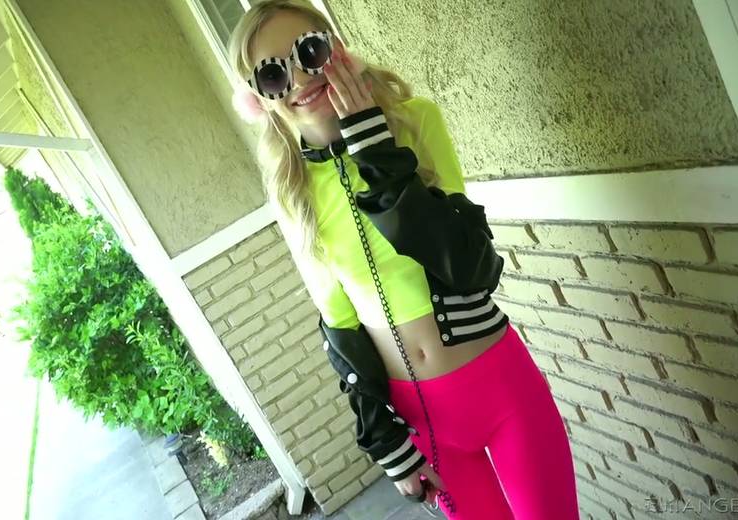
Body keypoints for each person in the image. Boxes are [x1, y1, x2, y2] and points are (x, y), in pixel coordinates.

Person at [227, 2, 579, 518]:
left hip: (499, 386)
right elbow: (339, 323)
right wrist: (387, 441)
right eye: (273, 74)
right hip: (422, 420)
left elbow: (469, 266)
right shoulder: (292, 192)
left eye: (309, 52)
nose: (300, 79)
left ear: (334, 48)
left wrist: (372, 145)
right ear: (259, 98)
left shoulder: (415, 123)